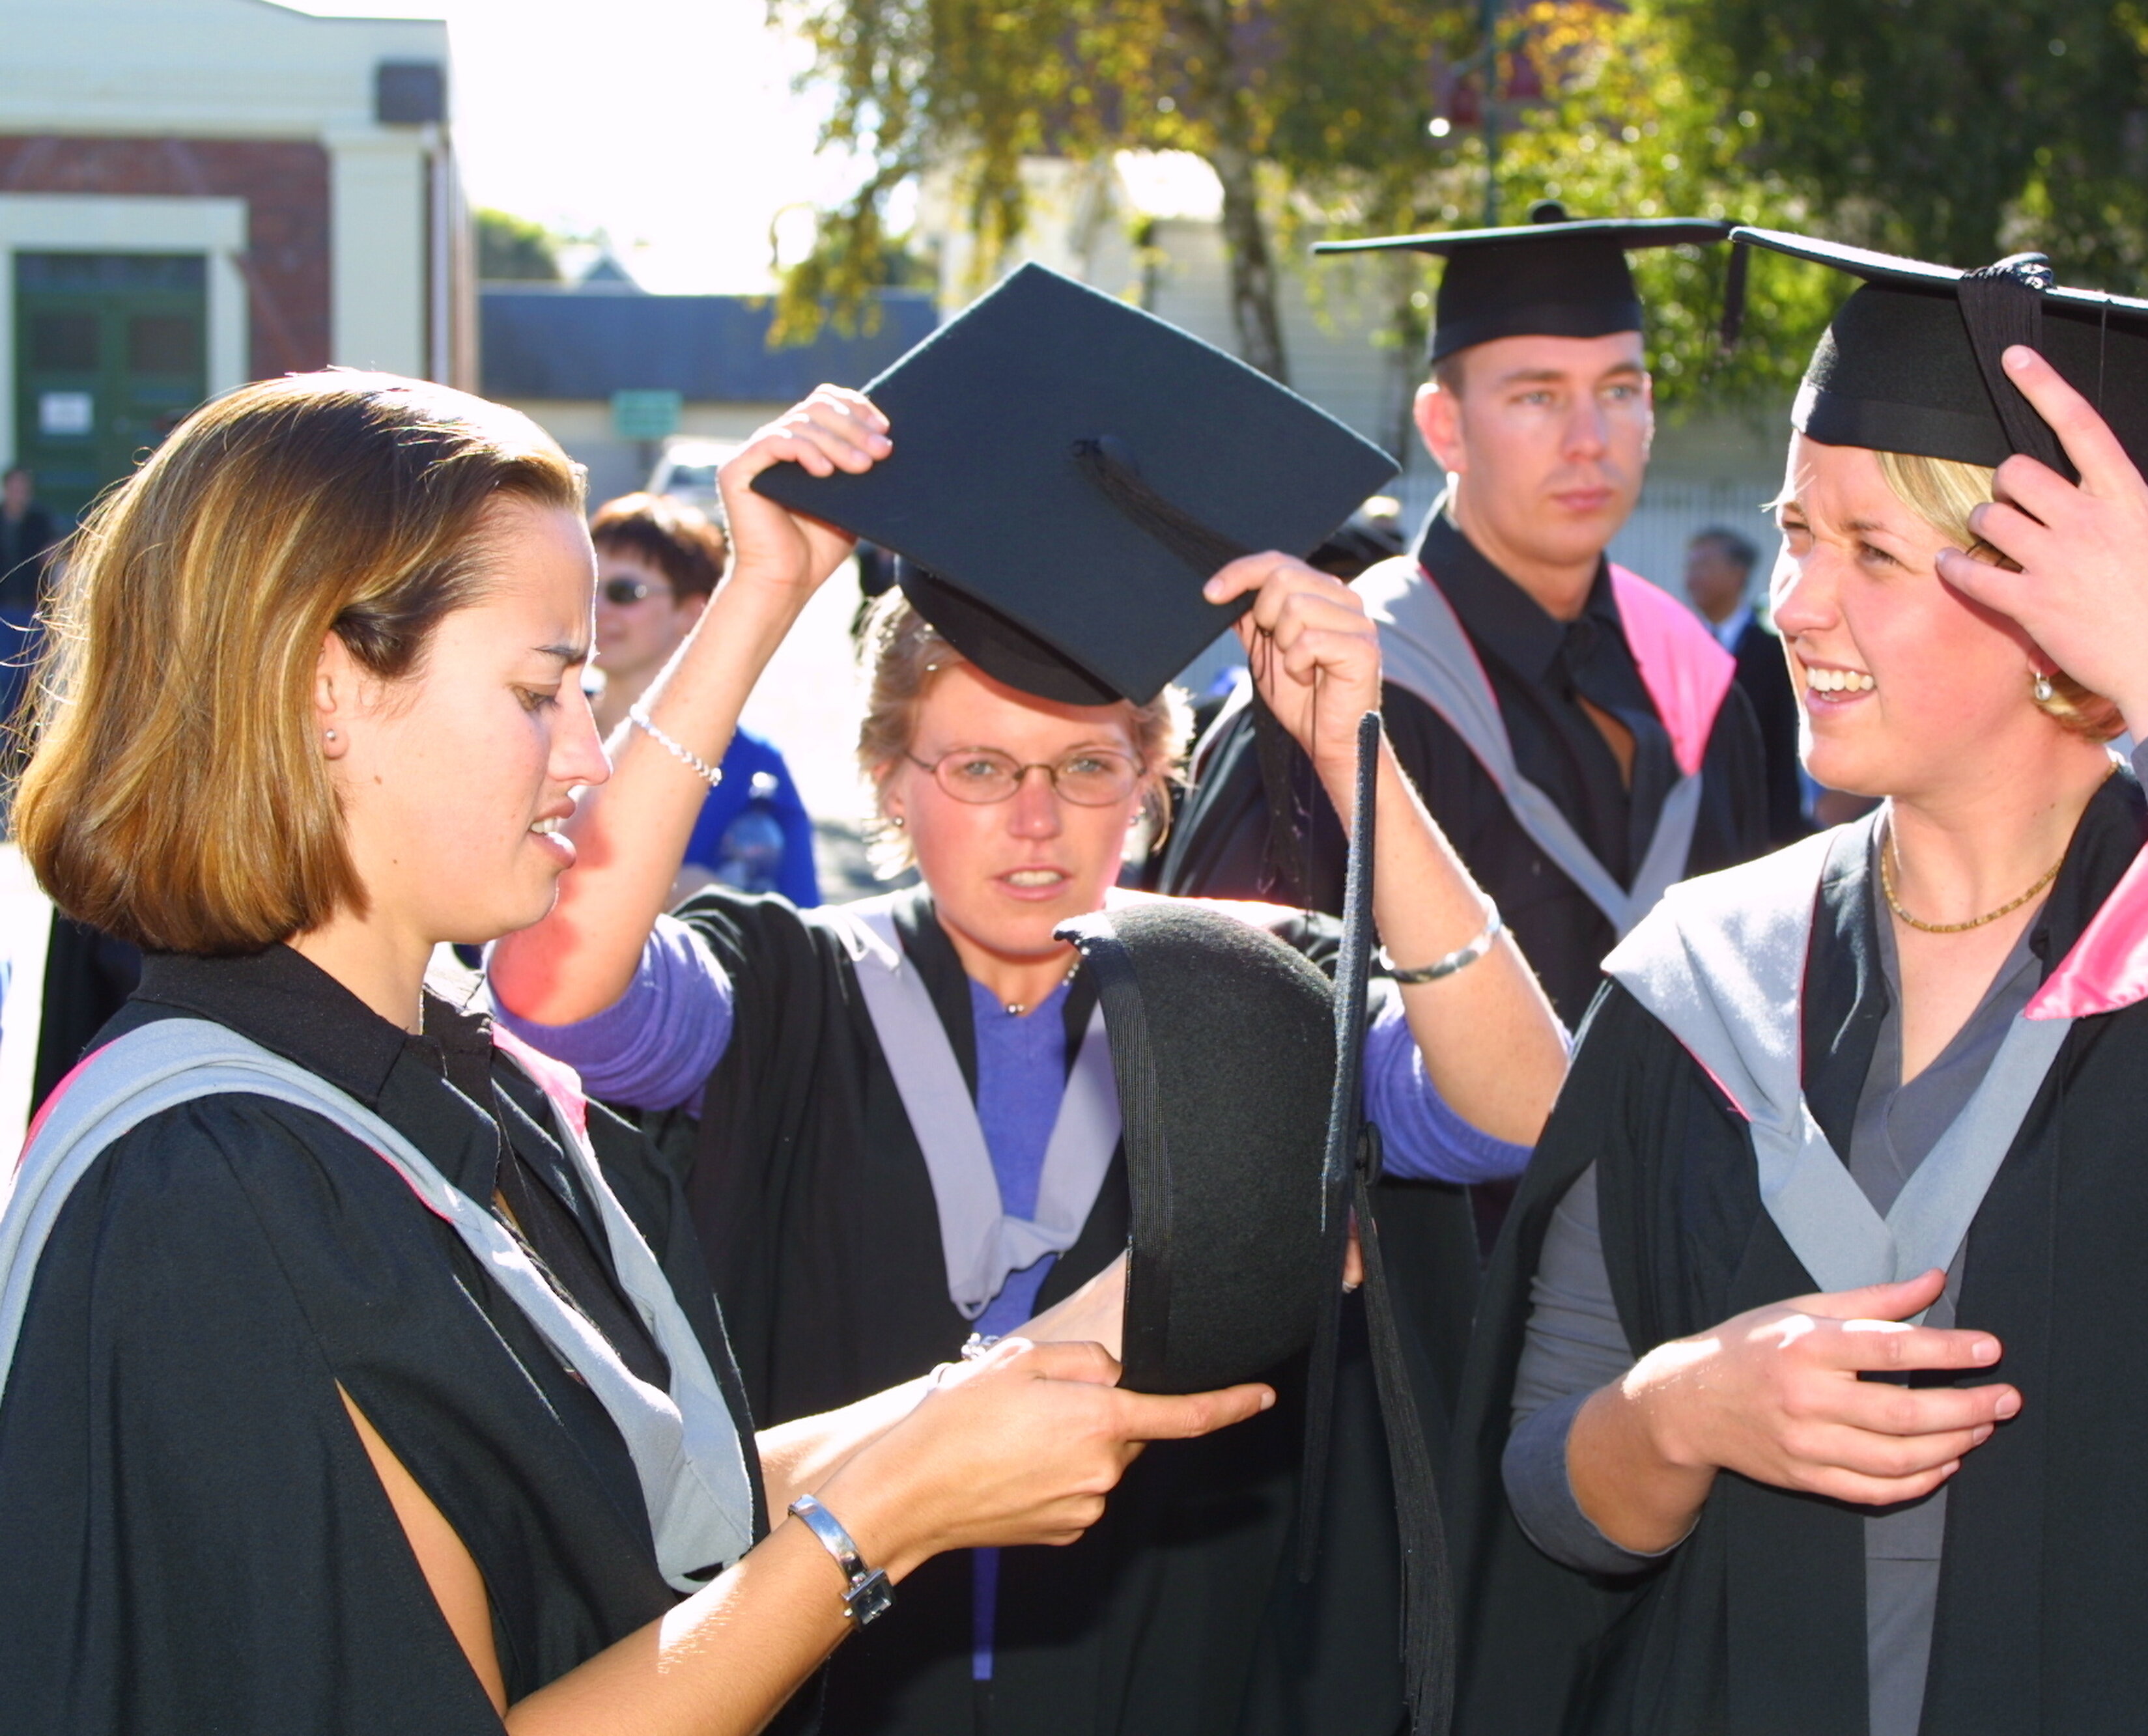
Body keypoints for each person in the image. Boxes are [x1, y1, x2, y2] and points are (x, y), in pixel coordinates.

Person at [0, 372, 1274, 1734]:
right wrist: (881, 1527)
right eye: (538, 692)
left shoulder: (453, 1078)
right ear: (327, 689)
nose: (589, 756)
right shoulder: (206, 1186)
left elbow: (636, 1509)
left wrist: (1055, 1359)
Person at [1452, 231, 2148, 1736]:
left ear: (2066, 612)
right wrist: (1685, 1407)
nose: (1793, 603)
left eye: (1871, 551)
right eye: (1794, 531)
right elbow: (1548, 1484)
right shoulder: (1702, 980)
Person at [488, 359, 1571, 1730]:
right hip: (824, 1681)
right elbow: (548, 986)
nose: (1036, 821)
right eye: (981, 769)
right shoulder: (786, 990)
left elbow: (1521, 1111)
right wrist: (759, 591)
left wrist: (1359, 760)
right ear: (889, 779)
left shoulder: (1252, 995)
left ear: (1154, 777)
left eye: (1088, 768)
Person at [1163, 204, 1773, 1030]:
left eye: (1619, 390)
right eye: (1537, 396)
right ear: (1444, 426)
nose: (1590, 438)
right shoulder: (1332, 689)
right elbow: (1220, 1031)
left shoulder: (1696, 683)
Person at [589, 490, 819, 906]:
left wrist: (717, 900)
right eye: (587, 586)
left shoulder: (754, 769)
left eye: (624, 592)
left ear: (693, 612)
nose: (596, 607)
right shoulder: (537, 730)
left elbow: (797, 924)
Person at [1687, 526, 1809, 844]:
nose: (1692, 577)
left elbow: (1783, 744)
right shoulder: (1682, 646)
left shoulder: (1772, 650)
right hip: (1693, 826)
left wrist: (1782, 831)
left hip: (1757, 824)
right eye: (1691, 566)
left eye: (1704, 565)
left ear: (1738, 574)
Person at [0, 462, 59, 735]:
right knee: (6, 676)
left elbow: (52, 558)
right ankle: (5, 738)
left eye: (24, 488)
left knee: (33, 676)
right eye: (15, 487)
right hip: (3, 612)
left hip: (32, 612)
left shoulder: (40, 522)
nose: (19, 493)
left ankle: (29, 739)